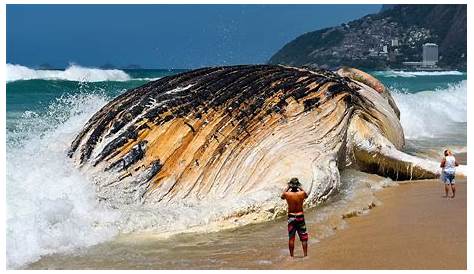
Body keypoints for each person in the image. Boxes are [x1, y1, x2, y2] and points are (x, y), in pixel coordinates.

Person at [280, 178, 309, 257]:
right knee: (304, 238)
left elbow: (282, 197)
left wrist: (288, 187)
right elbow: (306, 195)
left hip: (291, 217)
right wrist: (300, 187)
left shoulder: (287, 194)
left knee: (291, 238)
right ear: (298, 185)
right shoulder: (302, 193)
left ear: (291, 185)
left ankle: (291, 256)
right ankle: (305, 255)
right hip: (300, 217)